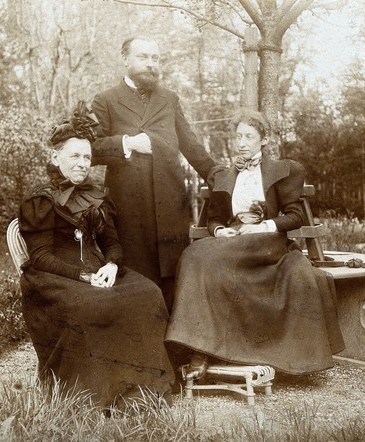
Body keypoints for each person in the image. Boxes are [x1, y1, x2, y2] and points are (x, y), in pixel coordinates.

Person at [165, 109, 345, 379]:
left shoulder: (281, 170)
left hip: (267, 242)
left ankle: (204, 353)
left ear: (263, 140)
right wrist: (220, 230)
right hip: (234, 243)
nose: (242, 142)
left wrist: (263, 226)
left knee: (201, 258)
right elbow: (214, 218)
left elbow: (295, 217)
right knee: (193, 255)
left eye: (249, 136)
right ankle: (199, 348)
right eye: (239, 136)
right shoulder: (225, 175)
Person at [18, 102, 174, 408]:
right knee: (91, 305)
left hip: (97, 271)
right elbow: (40, 257)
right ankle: (94, 391)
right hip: (54, 277)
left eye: (87, 157)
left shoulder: (96, 196)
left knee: (149, 293)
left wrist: (112, 265)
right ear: (55, 157)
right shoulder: (41, 200)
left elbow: (112, 243)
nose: (81, 163)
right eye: (74, 156)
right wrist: (83, 276)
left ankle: (137, 388)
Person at [91, 36, 217, 307]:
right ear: (125, 59)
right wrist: (128, 143)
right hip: (129, 209)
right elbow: (90, 148)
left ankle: (176, 347)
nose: (151, 64)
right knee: (135, 282)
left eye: (155, 58)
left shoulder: (169, 99)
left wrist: (222, 175)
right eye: (143, 57)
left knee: (173, 282)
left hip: (171, 205)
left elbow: (191, 145)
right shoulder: (105, 101)